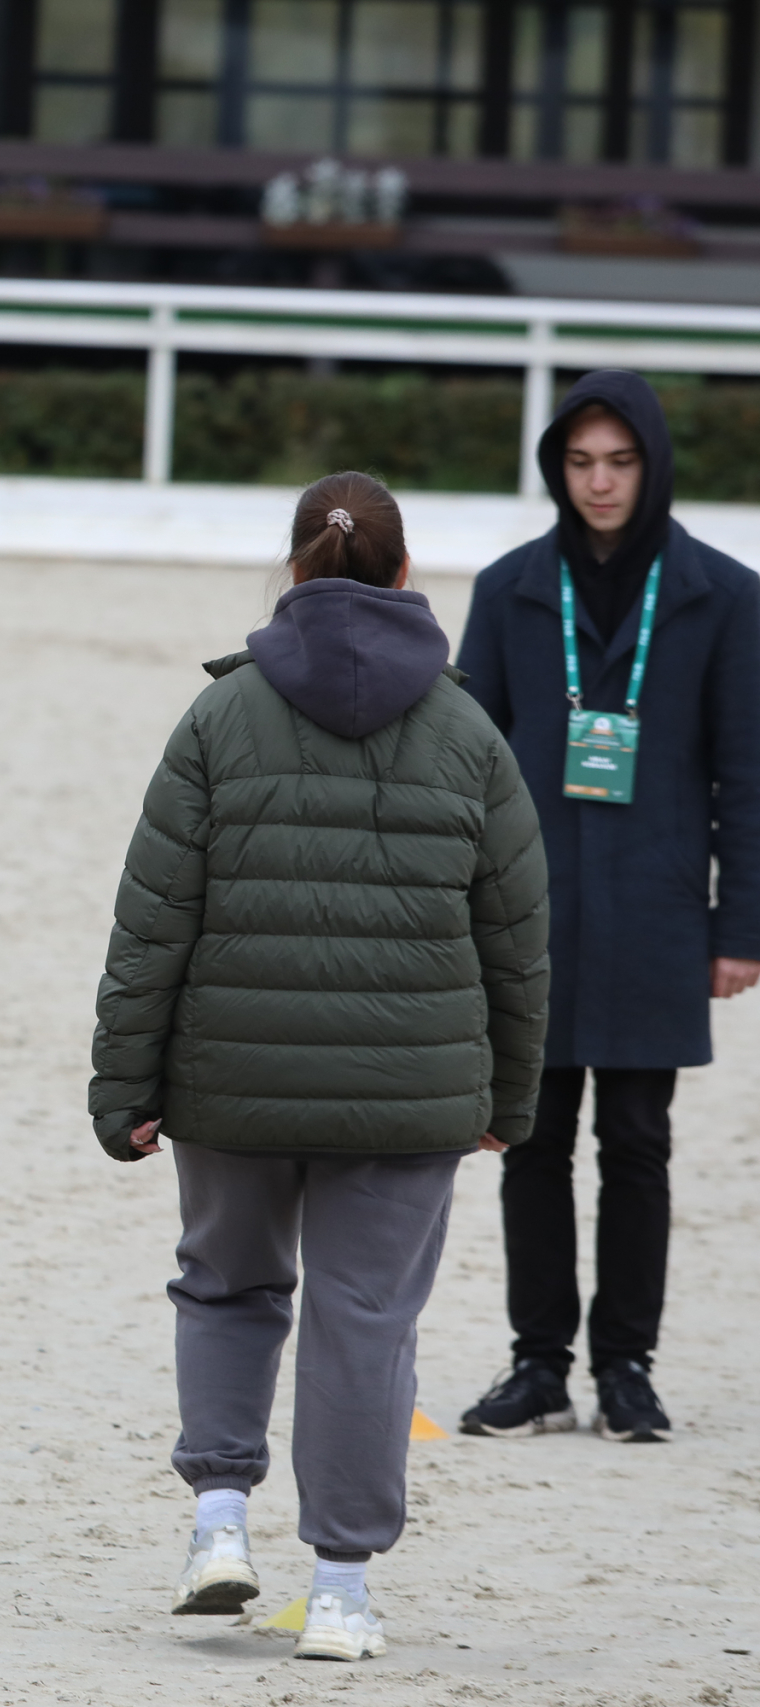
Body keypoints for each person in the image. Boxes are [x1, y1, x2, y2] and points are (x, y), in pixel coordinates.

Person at [90, 472, 548, 1662]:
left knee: (227, 1290)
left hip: (228, 1081)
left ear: (294, 571)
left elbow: (153, 924)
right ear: (404, 577)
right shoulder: (467, 731)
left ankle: (219, 1522)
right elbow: (517, 937)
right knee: (365, 1324)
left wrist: (123, 1087)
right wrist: (511, 1095)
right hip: (407, 1094)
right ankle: (340, 1587)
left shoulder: (216, 719)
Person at [453, 371, 760, 1445]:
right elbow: (463, 769)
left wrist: (741, 927)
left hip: (656, 911)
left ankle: (626, 1366)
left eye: (618, 462)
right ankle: (537, 1366)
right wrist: (462, 914)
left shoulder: (724, 594)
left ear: (653, 465)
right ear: (556, 468)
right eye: (579, 462)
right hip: (527, 914)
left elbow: (746, 773)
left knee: (636, 1142)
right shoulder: (507, 591)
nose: (598, 482)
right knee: (528, 1140)